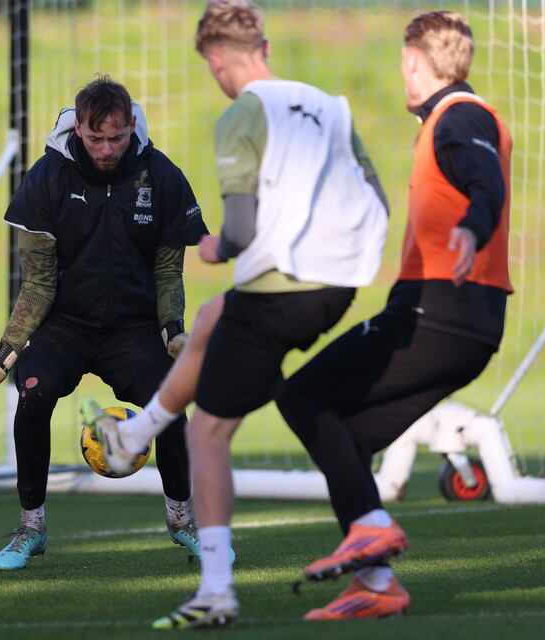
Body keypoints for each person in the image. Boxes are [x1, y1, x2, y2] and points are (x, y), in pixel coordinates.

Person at [86, 0, 389, 628]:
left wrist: (216, 245)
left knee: (207, 434)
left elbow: (243, 230)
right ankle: (135, 436)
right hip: (342, 282)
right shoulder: (330, 105)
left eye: (212, 68)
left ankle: (217, 589)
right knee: (213, 318)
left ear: (217, 61)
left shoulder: (240, 116)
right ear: (266, 48)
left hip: (281, 289)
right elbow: (375, 194)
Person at [275, 10, 514, 621]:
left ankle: (372, 531)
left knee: (301, 396)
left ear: (415, 63)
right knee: (346, 435)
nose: (402, 73)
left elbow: (484, 183)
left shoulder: (459, 116)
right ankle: (377, 582)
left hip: (440, 310)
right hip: (466, 319)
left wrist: (471, 227)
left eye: (404, 62)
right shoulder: (455, 118)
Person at [0, 75, 209, 571]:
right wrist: (2, 357)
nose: (107, 149)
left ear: (132, 125)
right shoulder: (47, 178)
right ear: (78, 129)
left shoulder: (163, 176)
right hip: (64, 327)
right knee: (35, 392)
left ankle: (182, 520)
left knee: (170, 407)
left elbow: (168, 270)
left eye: (117, 137)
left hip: (132, 331)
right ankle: (31, 529)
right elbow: (39, 282)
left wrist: (173, 331)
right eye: (95, 138)